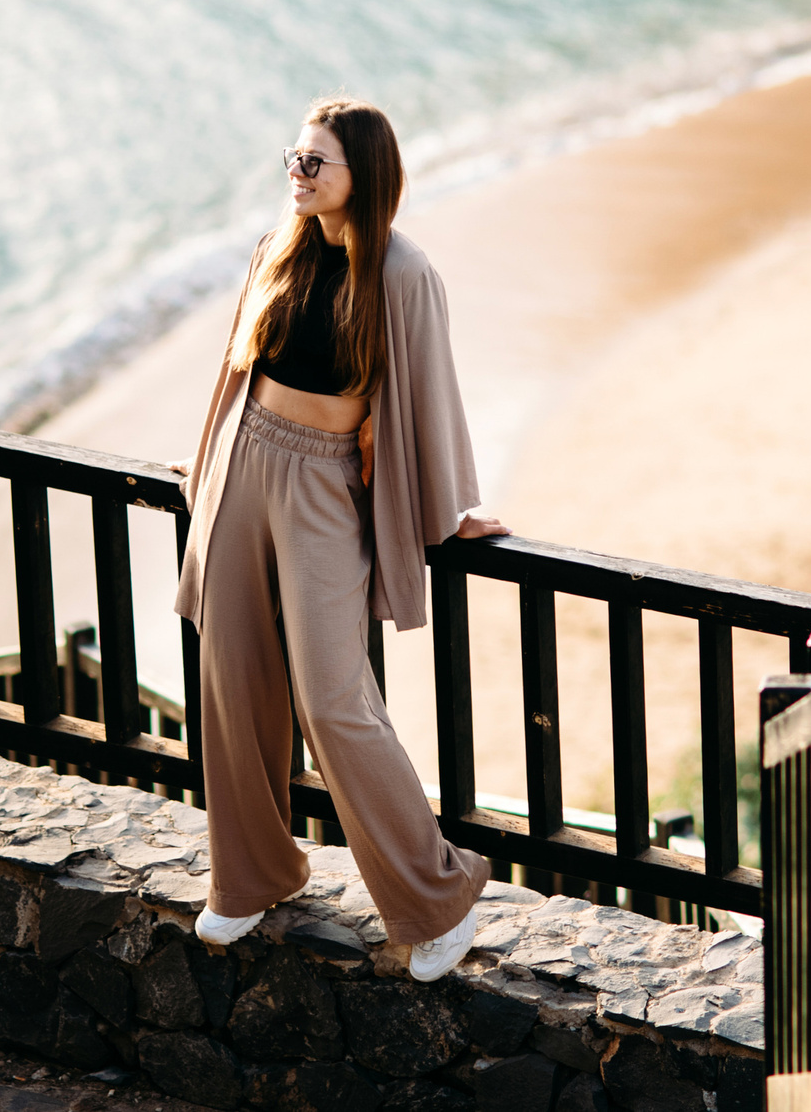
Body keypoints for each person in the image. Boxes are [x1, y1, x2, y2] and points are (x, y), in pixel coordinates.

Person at [173, 95, 511, 982]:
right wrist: (207, 462)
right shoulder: (276, 248)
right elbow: (236, 369)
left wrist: (454, 508)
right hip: (247, 462)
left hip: (325, 481)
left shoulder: (403, 273)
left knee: (332, 699)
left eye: (314, 163)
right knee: (232, 676)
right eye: (291, 157)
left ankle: (438, 896)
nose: (297, 173)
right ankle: (252, 874)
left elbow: (428, 396)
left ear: (363, 175)